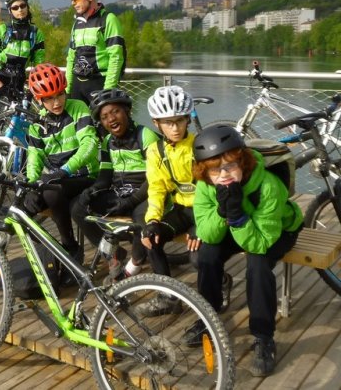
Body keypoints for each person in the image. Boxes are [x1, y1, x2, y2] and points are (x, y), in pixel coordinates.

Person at [188, 124, 302, 376]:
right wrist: (222, 211)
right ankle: (208, 315)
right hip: (237, 224)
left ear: (243, 161)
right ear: (204, 172)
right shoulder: (207, 185)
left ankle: (264, 336)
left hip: (278, 231)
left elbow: (260, 242)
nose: (224, 174)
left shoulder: (268, 186)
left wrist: (238, 215)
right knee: (206, 255)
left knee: (258, 263)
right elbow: (206, 233)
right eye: (215, 169)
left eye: (230, 165)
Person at [72, 89, 160, 284]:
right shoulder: (107, 141)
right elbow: (105, 176)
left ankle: (136, 262)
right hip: (120, 192)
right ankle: (112, 256)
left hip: (145, 192)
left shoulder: (145, 136)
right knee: (79, 208)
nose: (111, 118)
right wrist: (93, 191)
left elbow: (156, 178)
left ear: (127, 111)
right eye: (104, 117)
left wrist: (132, 200)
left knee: (141, 218)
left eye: (115, 112)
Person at [137, 85, 208, 317]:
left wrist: (202, 226)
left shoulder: (200, 146)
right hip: (180, 209)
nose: (175, 128)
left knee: (198, 257)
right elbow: (157, 188)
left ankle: (220, 284)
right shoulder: (156, 151)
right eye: (168, 122)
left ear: (188, 119)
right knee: (151, 239)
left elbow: (213, 188)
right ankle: (168, 296)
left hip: (205, 209)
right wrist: (153, 220)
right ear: (157, 123)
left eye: (179, 121)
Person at [23, 63, 99, 282]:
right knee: (21, 210)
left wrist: (65, 170)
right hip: (57, 181)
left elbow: (89, 145)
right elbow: (34, 156)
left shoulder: (78, 108)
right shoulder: (37, 124)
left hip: (84, 176)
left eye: (59, 95)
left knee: (51, 192)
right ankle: (54, 253)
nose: (56, 103)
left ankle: (71, 247)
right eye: (49, 99)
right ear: (39, 100)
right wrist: (30, 183)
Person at [63, 0, 126, 104]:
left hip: (99, 84)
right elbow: (71, 58)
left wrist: (108, 92)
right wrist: (66, 89)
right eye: (71, 0)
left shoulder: (108, 19)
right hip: (77, 85)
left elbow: (116, 58)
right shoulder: (76, 24)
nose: (73, 3)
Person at [0, 0, 45, 101]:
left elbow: (39, 63)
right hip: (0, 77)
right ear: (10, 10)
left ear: (27, 7)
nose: (20, 9)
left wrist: (34, 87)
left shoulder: (36, 33)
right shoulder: (2, 30)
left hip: (19, 80)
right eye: (15, 7)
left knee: (16, 116)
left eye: (23, 6)